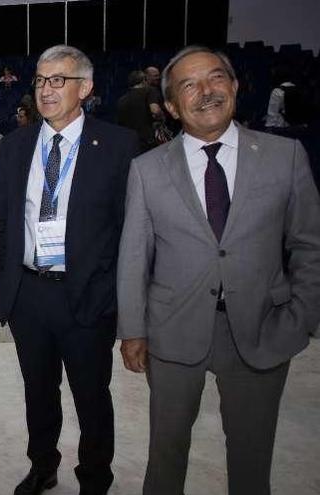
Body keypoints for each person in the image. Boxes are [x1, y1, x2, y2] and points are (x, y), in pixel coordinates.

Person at [117, 46, 320, 495]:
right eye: (189, 85)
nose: (205, 92)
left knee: (251, 462)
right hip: (173, 333)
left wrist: (302, 317)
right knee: (165, 458)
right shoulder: (147, 169)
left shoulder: (284, 156)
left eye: (215, 78)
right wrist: (133, 330)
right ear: (170, 105)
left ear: (235, 86)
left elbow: (310, 245)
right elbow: (134, 256)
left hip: (263, 330)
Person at [0, 45, 139, 495]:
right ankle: (43, 466)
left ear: (86, 88)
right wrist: (7, 288)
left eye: (58, 80)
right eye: (40, 80)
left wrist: (112, 295)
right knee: (39, 392)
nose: (46, 90)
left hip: (86, 296)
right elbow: (3, 221)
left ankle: (95, 477)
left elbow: (130, 229)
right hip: (30, 294)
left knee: (91, 397)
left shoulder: (119, 145)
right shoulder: (17, 144)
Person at [116, 70, 164, 152]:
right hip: (148, 142)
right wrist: (162, 116)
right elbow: (155, 110)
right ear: (144, 80)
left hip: (129, 143)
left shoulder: (121, 100)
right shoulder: (149, 91)